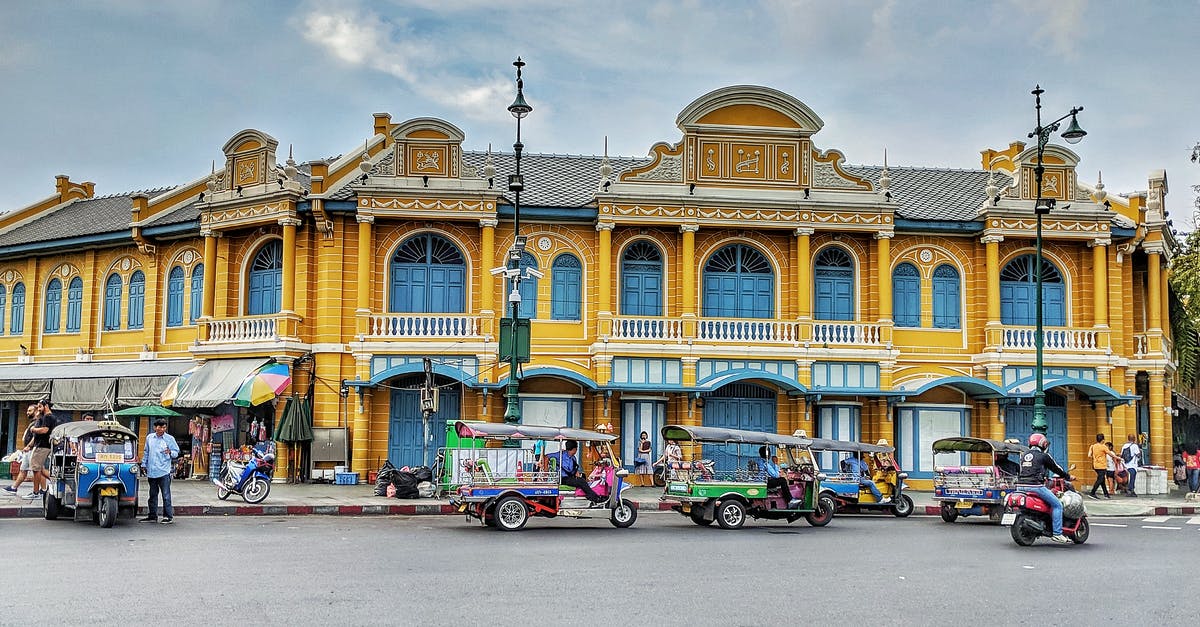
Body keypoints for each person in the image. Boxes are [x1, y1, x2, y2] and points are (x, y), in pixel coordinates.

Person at [1016, 432, 1073, 544]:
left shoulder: (1024, 455)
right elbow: (1056, 468)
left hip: (1020, 486)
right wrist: (1068, 476)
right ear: (1043, 444)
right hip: (1035, 486)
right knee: (1057, 505)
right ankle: (1057, 534)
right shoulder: (1044, 456)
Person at [140, 418, 180, 524]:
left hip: (164, 471)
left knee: (166, 495)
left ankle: (168, 516)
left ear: (165, 428)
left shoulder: (169, 439)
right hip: (152, 471)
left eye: (163, 427)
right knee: (152, 495)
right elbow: (146, 452)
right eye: (159, 427)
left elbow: (176, 452)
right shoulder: (149, 438)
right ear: (155, 427)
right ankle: (152, 516)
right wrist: (143, 464)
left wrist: (170, 452)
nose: (161, 429)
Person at [3, 405, 39, 495]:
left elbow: (36, 437)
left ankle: (40, 490)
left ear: (36, 411)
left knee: (39, 471)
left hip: (33, 450)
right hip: (28, 451)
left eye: (30, 411)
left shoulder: (37, 423)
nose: (27, 412)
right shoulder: (33, 422)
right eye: (27, 410)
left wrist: (29, 446)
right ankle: (14, 487)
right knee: (23, 470)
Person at [27, 399, 58, 498]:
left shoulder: (48, 417)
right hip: (41, 445)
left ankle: (36, 492)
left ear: (46, 406)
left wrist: (33, 429)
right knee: (38, 468)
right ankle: (55, 481)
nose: (38, 409)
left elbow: (44, 430)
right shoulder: (44, 417)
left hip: (42, 446)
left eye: (40, 406)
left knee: (36, 469)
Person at [1087, 433, 1120, 500]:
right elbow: (1111, 454)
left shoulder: (1093, 446)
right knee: (1100, 479)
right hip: (1102, 465)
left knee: (1102, 480)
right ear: (1102, 440)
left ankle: (1106, 494)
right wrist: (1118, 458)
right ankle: (1092, 493)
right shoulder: (1103, 446)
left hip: (1095, 465)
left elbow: (1089, 455)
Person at [1120, 433, 1142, 498]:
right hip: (1132, 465)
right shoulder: (1135, 446)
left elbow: (1122, 455)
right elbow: (1138, 455)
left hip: (1125, 464)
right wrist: (1140, 451)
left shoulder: (1124, 446)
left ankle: (1131, 490)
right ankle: (1130, 489)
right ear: (1134, 439)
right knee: (1132, 477)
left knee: (1130, 477)